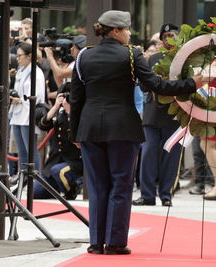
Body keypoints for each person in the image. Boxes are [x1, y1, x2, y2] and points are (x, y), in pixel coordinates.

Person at [70, 10, 202, 255]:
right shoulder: (131, 55)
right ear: (116, 31)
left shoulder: (83, 57)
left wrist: (75, 133)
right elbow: (158, 86)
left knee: (98, 186)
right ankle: (115, 242)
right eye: (128, 29)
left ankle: (96, 242)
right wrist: (192, 84)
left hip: (89, 128)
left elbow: (76, 99)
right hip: (122, 127)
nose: (130, 34)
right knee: (121, 184)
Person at [132, 23, 181, 207]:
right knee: (149, 154)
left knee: (171, 156)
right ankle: (147, 195)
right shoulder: (153, 59)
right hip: (153, 112)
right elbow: (144, 85)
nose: (170, 38)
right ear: (161, 39)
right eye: (166, 35)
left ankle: (166, 194)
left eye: (173, 35)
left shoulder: (184, 60)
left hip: (174, 113)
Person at [9, 42, 46, 171]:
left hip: (28, 115)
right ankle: (23, 179)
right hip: (18, 114)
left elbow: (37, 96)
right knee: (21, 151)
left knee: (31, 150)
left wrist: (18, 100)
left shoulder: (36, 73)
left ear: (29, 56)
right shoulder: (21, 71)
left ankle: (34, 181)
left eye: (20, 56)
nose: (17, 58)